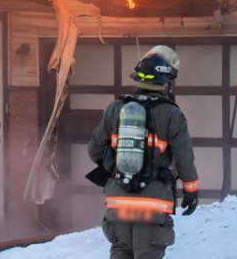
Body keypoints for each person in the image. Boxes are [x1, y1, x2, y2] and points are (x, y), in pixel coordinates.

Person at [85, 45, 199, 259]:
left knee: (120, 252)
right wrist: (191, 191)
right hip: (152, 204)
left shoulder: (115, 108)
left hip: (118, 201)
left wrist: (116, 167)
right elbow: (185, 158)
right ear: (166, 82)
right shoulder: (171, 114)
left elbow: (94, 150)